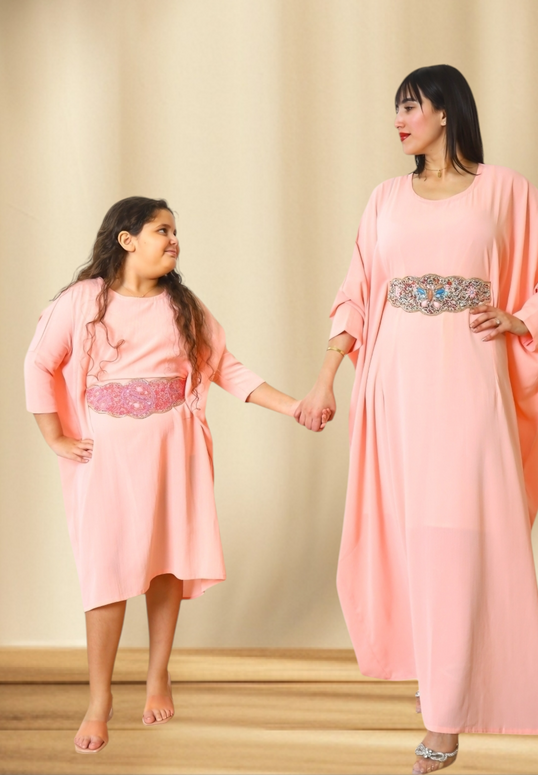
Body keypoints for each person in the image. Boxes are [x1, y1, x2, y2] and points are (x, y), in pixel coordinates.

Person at [295, 64, 538, 773]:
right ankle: (443, 713)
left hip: (468, 380)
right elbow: (357, 292)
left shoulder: (505, 190)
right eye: (396, 108)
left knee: (460, 537)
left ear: (446, 111)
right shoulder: (384, 199)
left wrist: (523, 316)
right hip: (395, 382)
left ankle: (452, 711)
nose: (399, 119)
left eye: (411, 106)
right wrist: (327, 375)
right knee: (417, 540)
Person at [24, 197, 309, 754]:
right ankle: (99, 701)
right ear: (127, 239)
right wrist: (54, 435)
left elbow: (227, 366)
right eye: (162, 230)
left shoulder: (183, 304)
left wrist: (293, 406)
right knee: (107, 570)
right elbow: (39, 361)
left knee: (165, 562)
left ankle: (158, 674)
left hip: (172, 450)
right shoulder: (85, 301)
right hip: (107, 456)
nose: (174, 240)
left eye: (176, 231)